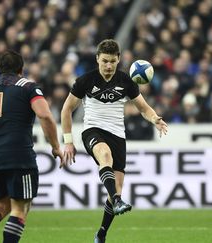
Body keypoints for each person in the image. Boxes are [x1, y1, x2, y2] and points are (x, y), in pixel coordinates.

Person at [60, 39, 168, 243]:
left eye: (112, 61)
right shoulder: (85, 80)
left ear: (118, 59)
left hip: (118, 135)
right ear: (97, 59)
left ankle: (101, 233)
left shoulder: (126, 81)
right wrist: (68, 141)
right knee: (104, 155)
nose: (108, 66)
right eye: (104, 61)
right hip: (93, 130)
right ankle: (118, 201)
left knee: (115, 188)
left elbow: (143, 108)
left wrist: (155, 119)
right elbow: (67, 109)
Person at [0, 50, 63, 243]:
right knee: (20, 208)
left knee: (1, 203)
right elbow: (45, 115)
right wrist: (56, 146)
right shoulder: (28, 87)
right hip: (19, 155)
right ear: (21, 69)